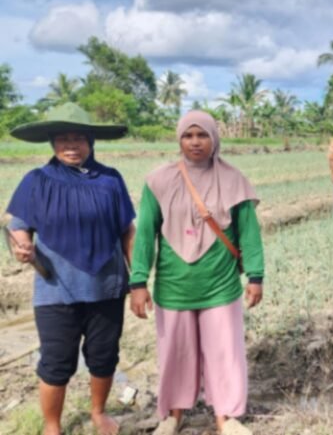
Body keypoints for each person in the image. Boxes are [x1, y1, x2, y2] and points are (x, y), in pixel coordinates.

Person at [129, 111, 265, 435]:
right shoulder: (157, 181)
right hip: (173, 286)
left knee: (225, 352)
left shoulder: (234, 181)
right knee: (175, 352)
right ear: (179, 139)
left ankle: (226, 417)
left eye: (202, 135)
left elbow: (249, 233)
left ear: (214, 139)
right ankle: (173, 415)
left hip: (220, 285)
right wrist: (138, 282)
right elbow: (145, 234)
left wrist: (256, 277)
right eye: (188, 136)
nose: (195, 142)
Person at [5, 103, 135, 435]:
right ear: (52, 143)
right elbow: (18, 227)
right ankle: (52, 426)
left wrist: (139, 280)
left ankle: (98, 412)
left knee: (104, 357)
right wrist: (21, 247)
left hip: (106, 285)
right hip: (55, 288)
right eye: (63, 139)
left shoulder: (110, 180)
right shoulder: (37, 181)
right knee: (56, 362)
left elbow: (127, 231)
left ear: (91, 141)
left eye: (78, 138)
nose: (71, 145)